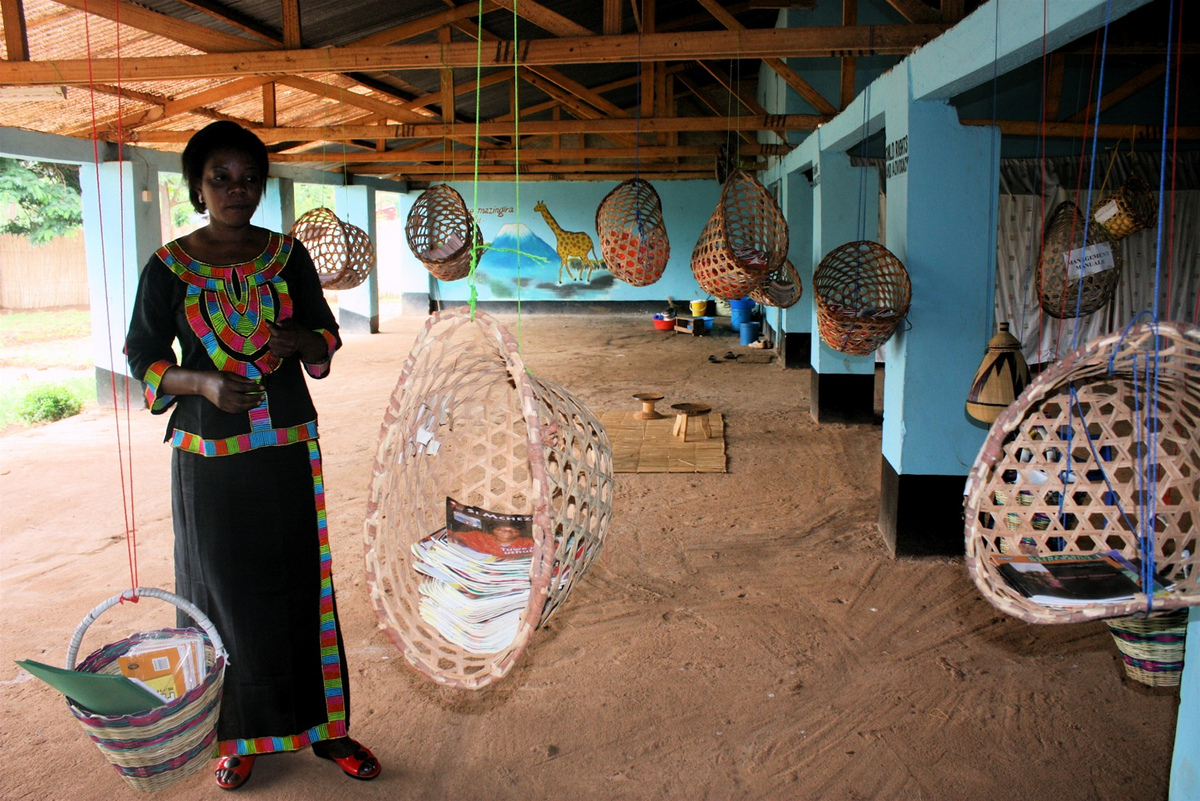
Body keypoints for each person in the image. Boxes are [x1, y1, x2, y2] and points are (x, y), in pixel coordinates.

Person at [124, 121, 380, 791]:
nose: (237, 190)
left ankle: (324, 728)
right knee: (219, 593)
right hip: (208, 457)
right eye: (221, 178)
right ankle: (235, 736)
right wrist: (202, 383)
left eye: (249, 179)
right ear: (197, 187)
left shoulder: (287, 256)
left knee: (302, 586)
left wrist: (304, 340)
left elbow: (325, 335)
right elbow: (141, 354)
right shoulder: (168, 267)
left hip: (285, 447)